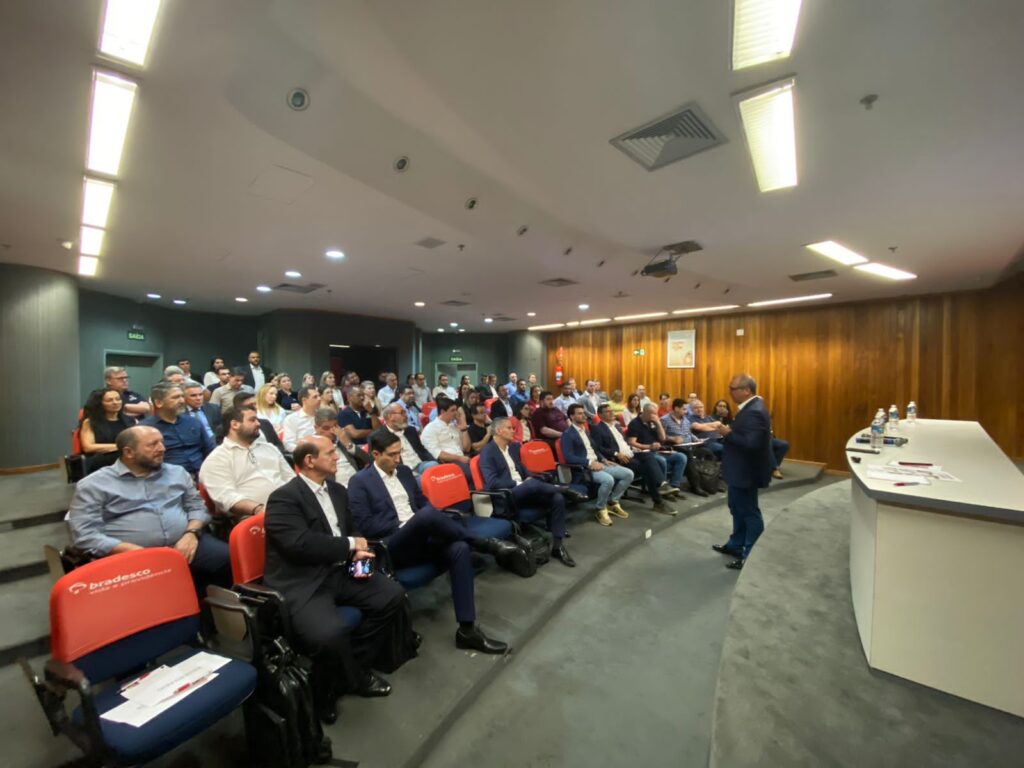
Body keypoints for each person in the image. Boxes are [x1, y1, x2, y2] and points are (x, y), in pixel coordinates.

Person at [264, 436, 415, 708]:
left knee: (392, 595)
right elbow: (300, 545)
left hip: (344, 568)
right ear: (309, 461)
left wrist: (358, 549)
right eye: (330, 452)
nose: (337, 457)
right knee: (328, 635)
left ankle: (345, 667)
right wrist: (350, 545)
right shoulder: (283, 498)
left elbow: (353, 529)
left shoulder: (336, 490)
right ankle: (353, 678)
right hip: (305, 579)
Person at [348, 431, 512, 654]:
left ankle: (467, 630)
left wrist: (425, 519)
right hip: (392, 545)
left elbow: (421, 502)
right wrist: (409, 523)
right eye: (392, 455)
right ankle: (484, 543)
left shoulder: (404, 472)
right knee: (425, 517)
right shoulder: (359, 482)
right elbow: (366, 526)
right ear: (375, 454)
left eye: (400, 453)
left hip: (421, 537)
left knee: (459, 548)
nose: (398, 459)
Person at [68, 426, 231, 593]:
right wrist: (134, 551)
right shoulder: (94, 485)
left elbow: (196, 506)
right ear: (129, 452)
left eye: (162, 442)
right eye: (153, 444)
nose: (162, 448)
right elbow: (86, 535)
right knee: (155, 592)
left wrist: (192, 534)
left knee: (228, 558)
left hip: (186, 543)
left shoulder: (177, 473)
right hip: (130, 555)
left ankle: (210, 610)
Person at [480, 418, 575, 567]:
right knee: (531, 485)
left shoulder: (512, 448)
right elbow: (491, 482)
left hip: (526, 491)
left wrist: (529, 476)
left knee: (557, 498)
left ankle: (558, 545)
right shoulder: (487, 452)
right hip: (508, 496)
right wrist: (520, 483)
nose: (514, 431)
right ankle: (562, 489)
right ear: (498, 431)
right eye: (510, 428)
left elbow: (521, 468)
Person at [712, 374, 774, 570]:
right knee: (737, 508)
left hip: (746, 471)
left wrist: (728, 433)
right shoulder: (750, 408)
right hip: (741, 470)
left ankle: (750, 554)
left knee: (748, 511)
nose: (730, 392)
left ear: (746, 390)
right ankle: (736, 544)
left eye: (733, 388)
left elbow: (751, 444)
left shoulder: (754, 411)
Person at [198, 405, 293, 520]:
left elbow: (291, 479)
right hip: (256, 517)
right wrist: (259, 509)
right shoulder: (217, 459)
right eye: (252, 420)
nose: (258, 424)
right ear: (235, 425)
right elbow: (227, 498)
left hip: (290, 507)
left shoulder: (269, 448)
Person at [591, 404, 676, 514]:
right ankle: (659, 498)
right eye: (607, 411)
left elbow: (624, 443)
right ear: (600, 415)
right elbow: (598, 448)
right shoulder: (597, 428)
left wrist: (634, 448)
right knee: (647, 469)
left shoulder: (616, 426)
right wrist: (616, 454)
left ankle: (661, 487)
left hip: (631, 453)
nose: (612, 413)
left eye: (612, 411)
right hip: (619, 458)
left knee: (649, 456)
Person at [561, 405, 634, 526]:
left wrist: (603, 459)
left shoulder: (585, 430)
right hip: (585, 469)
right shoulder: (568, 434)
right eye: (579, 413)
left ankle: (613, 502)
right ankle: (600, 509)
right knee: (608, 480)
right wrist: (589, 463)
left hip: (598, 463)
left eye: (584, 413)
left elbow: (595, 449)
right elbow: (569, 457)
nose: (584, 415)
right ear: (572, 416)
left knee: (628, 474)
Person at [142, 383, 215, 476]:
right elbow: (147, 462)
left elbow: (209, 449)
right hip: (167, 478)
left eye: (182, 397)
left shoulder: (193, 422)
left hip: (202, 474)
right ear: (158, 403)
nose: (182, 401)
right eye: (175, 397)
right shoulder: (146, 429)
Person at [626, 404, 686, 511]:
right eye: (653, 414)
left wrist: (658, 423)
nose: (655, 416)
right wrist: (649, 446)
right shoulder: (635, 424)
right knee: (659, 461)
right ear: (645, 412)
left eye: (656, 414)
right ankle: (662, 486)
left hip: (657, 451)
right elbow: (632, 442)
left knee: (681, 457)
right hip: (644, 452)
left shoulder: (652, 423)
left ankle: (672, 487)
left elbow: (662, 439)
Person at [371, 403, 438, 478]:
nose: (406, 416)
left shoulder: (411, 430)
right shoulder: (378, 436)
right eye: (402, 413)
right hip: (401, 471)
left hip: (420, 465)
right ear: (390, 417)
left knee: (435, 466)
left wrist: (436, 462)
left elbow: (422, 450)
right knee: (423, 480)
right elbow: (379, 463)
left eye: (405, 412)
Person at [661, 398, 710, 497]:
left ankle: (709, 482)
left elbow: (689, 433)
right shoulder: (664, 420)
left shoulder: (686, 420)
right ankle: (695, 486)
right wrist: (672, 438)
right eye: (684, 409)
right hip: (673, 447)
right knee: (688, 456)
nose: (686, 411)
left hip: (688, 446)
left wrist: (696, 439)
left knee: (707, 452)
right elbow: (660, 436)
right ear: (676, 408)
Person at [78, 388, 134, 473]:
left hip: (127, 457)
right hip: (101, 460)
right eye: (109, 400)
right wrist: (120, 447)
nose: (115, 402)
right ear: (100, 404)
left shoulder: (130, 420)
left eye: (118, 399)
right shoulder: (90, 422)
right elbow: (88, 447)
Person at [312, 408, 372, 487]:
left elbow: (367, 460)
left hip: (358, 481)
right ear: (316, 428)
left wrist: (348, 444)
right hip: (335, 487)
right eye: (326, 428)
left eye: (335, 426)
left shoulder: (343, 438)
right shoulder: (311, 445)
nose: (331, 431)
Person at [420, 396, 472, 475]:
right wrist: (460, 458)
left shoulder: (454, 426)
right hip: (448, 462)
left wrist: (464, 427)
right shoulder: (430, 429)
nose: (456, 413)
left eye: (456, 410)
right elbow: (438, 454)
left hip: (462, 458)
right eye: (452, 410)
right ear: (442, 412)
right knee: (472, 473)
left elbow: (467, 448)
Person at [282, 385, 321, 451]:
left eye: (319, 396)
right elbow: (288, 444)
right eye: (315, 397)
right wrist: (305, 451)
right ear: (304, 400)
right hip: (304, 454)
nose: (319, 399)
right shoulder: (291, 419)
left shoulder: (322, 416)